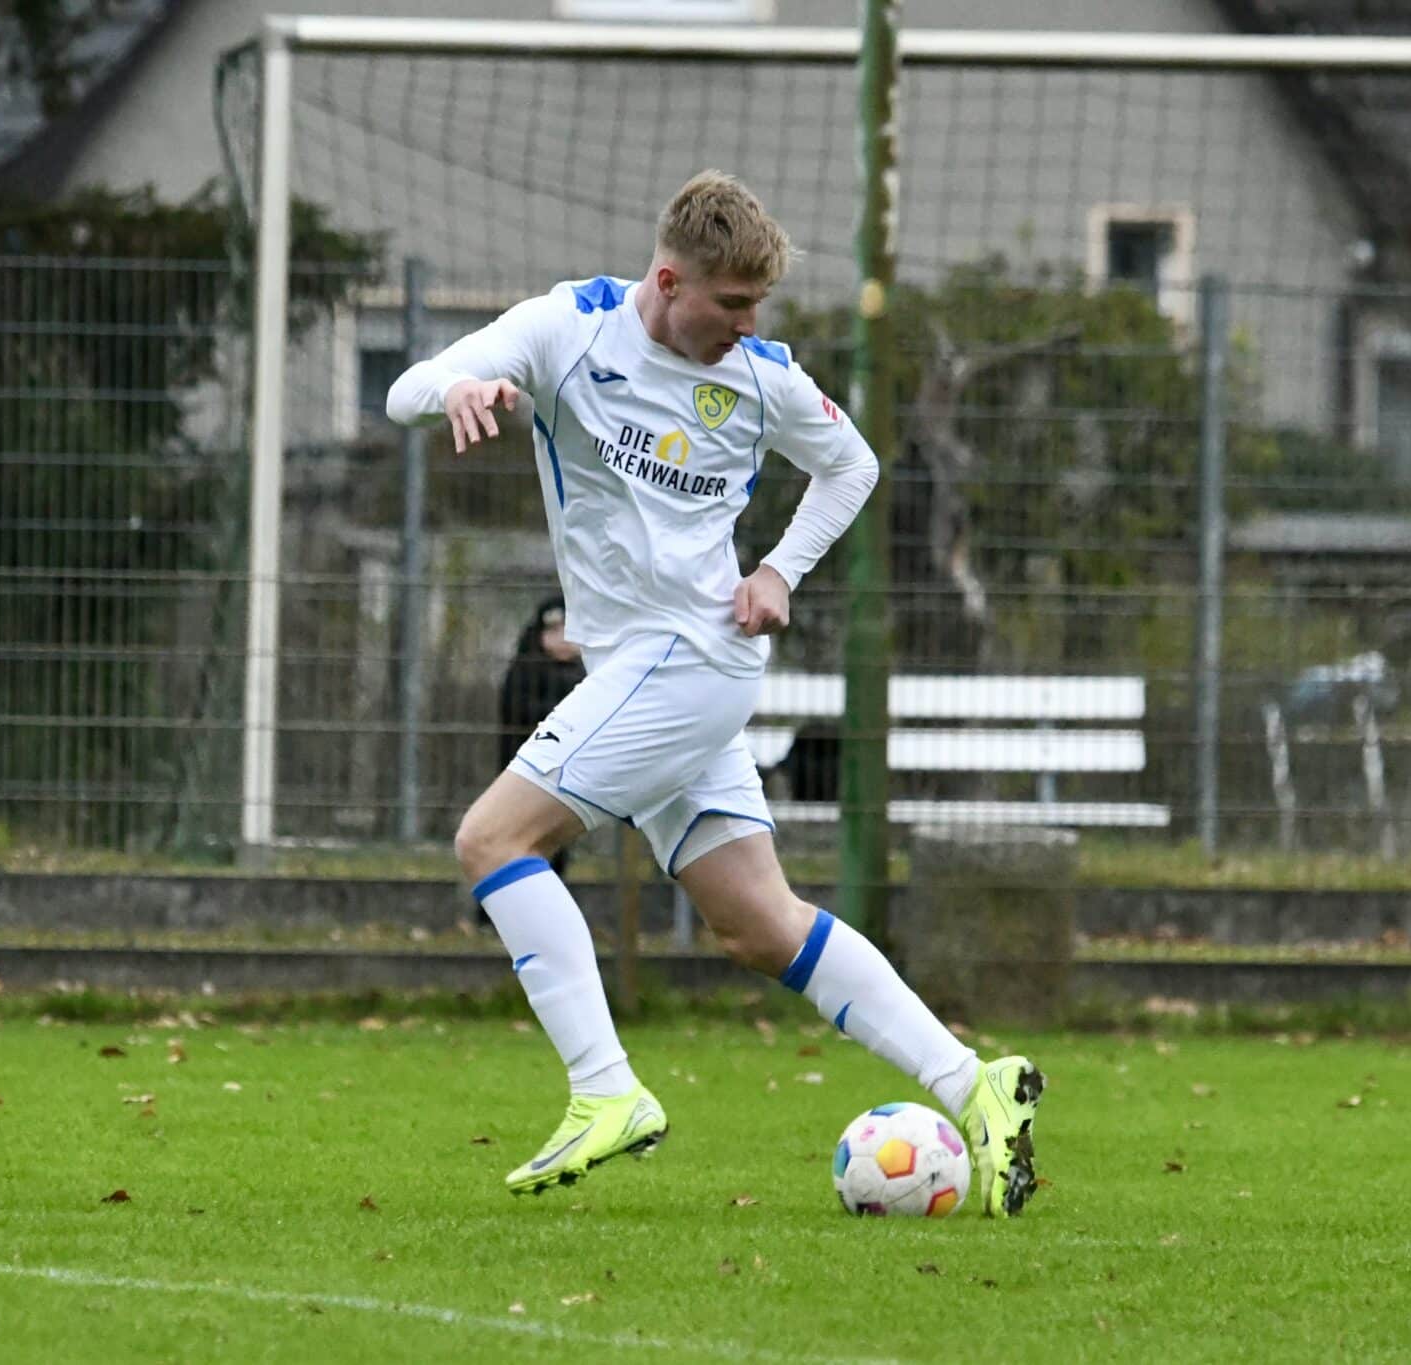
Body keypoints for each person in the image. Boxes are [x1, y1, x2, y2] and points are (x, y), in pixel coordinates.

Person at [387, 171, 1045, 1216]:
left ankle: (604, 1092)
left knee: (490, 840)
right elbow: (409, 385)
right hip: (638, 669)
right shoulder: (572, 327)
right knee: (757, 926)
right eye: (729, 306)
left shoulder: (760, 376)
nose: (745, 327)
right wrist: (460, 390)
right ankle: (979, 1084)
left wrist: (778, 568)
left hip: (694, 659)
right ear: (667, 280)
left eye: (757, 308)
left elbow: (851, 466)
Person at [497, 595, 586, 880]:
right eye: (553, 631)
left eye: (568, 630)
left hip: (569, 774)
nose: (562, 639)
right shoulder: (525, 670)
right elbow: (516, 711)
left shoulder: (587, 674)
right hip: (526, 768)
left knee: (555, 843)